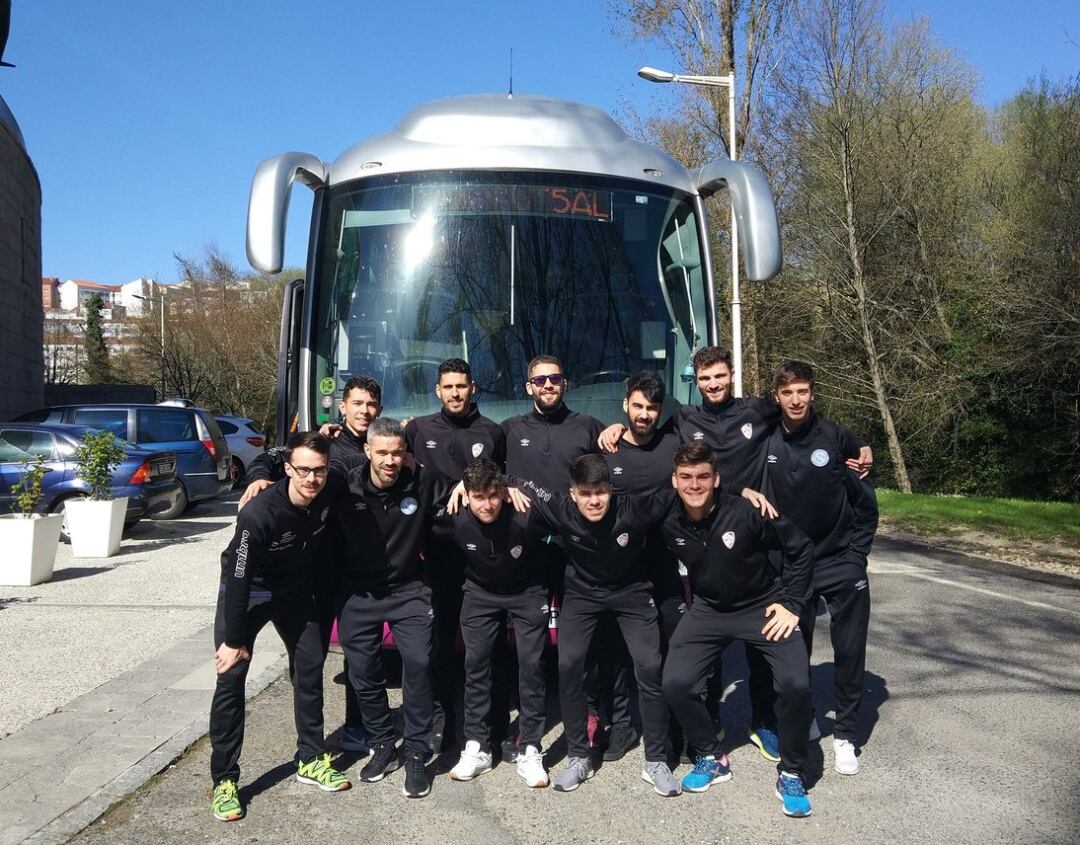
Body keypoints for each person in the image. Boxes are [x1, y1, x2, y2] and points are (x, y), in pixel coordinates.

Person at [660, 442, 816, 817]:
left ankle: (792, 771)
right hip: (710, 610)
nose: (694, 485)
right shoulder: (670, 524)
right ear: (674, 480)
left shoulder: (748, 511)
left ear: (716, 479)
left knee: (796, 685)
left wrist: (792, 604)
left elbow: (800, 548)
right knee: (675, 683)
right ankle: (711, 757)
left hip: (762, 606)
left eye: (702, 477)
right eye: (686, 478)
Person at [516, 454, 682, 797]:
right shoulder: (560, 508)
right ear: (573, 493)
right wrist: (502, 486)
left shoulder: (635, 509)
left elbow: (682, 490)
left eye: (602, 492)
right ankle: (578, 756)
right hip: (582, 595)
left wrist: (742, 490)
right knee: (569, 664)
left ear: (612, 490)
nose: (594, 501)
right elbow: (523, 482)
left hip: (632, 593)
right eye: (586, 493)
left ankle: (656, 760)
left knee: (650, 666)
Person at [208, 432, 349, 823]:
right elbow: (237, 579)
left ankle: (310, 758)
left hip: (294, 591)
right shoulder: (259, 514)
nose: (312, 479)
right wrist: (235, 640)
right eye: (303, 470)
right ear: (288, 469)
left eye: (318, 470)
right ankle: (224, 779)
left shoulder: (331, 484)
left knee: (309, 669)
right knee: (231, 677)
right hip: (247, 592)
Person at [239, 375, 384, 756]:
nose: (364, 411)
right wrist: (257, 478)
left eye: (371, 404)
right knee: (310, 661)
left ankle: (356, 728)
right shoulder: (326, 444)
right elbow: (273, 456)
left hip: (353, 568)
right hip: (314, 568)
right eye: (357, 404)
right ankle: (311, 739)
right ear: (343, 407)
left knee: (358, 650)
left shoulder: (381, 444)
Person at [762, 361, 878, 776]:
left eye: (803, 392)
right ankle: (806, 715)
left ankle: (846, 734)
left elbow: (865, 502)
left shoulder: (835, 437)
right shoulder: (766, 436)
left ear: (813, 393)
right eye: (788, 392)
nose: (796, 400)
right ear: (776, 396)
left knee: (849, 650)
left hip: (839, 561)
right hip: (793, 568)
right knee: (796, 652)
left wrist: (857, 555)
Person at [331, 417, 455, 799]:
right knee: (363, 672)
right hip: (359, 594)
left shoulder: (424, 482)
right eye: (382, 452)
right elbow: (299, 471)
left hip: (409, 591)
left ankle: (416, 753)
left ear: (407, 453)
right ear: (367, 451)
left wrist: (468, 483)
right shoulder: (344, 487)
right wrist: (260, 474)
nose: (390, 460)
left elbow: (460, 490)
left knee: (418, 664)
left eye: (397, 452)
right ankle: (383, 742)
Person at [405, 359, 506, 753]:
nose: (455, 394)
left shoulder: (492, 433)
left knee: (491, 642)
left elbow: (502, 484)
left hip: (482, 552)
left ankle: (496, 726)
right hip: (438, 552)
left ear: (473, 387)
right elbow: (386, 453)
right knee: (440, 641)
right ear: (437, 390)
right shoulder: (418, 429)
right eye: (448, 387)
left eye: (461, 386)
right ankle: (443, 720)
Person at [441, 458, 550, 788]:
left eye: (493, 495)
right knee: (476, 666)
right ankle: (477, 745)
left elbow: (556, 504)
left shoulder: (525, 512)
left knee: (531, 667)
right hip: (480, 593)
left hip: (527, 590)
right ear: (467, 496)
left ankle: (530, 747)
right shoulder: (455, 516)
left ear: (502, 492)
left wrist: (516, 483)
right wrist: (455, 487)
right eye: (478, 497)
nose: (487, 504)